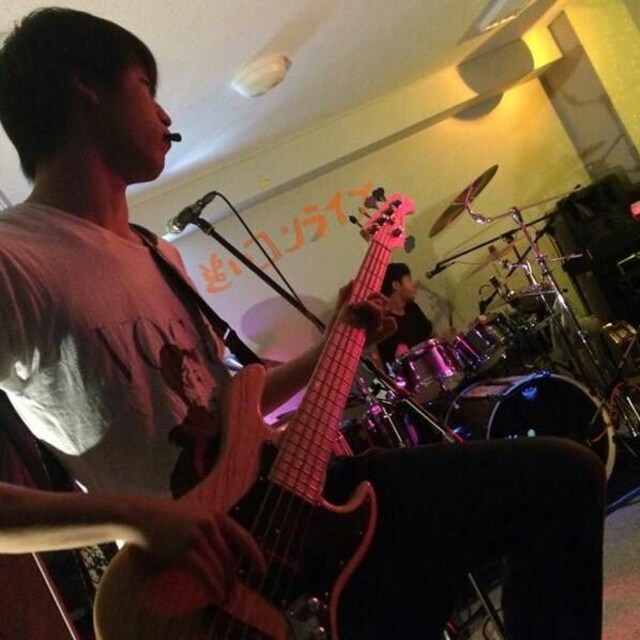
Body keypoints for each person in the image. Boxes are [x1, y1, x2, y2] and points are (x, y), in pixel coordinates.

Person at [0, 8, 606, 640]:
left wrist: (334, 343)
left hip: (300, 507)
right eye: (145, 87)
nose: (165, 114)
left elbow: (232, 405)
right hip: (203, 581)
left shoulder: (157, 252)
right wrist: (135, 519)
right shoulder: (15, 259)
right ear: (85, 84)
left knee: (562, 478)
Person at [376, 262, 434, 369]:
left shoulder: (412, 308)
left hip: (424, 366)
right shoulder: (384, 319)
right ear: (396, 285)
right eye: (409, 280)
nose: (413, 285)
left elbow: (428, 334)